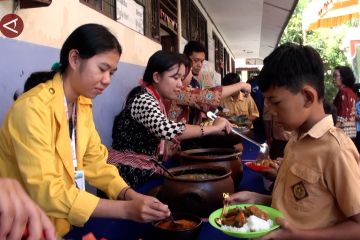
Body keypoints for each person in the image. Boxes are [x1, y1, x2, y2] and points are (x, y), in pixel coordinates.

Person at [0, 24, 170, 237]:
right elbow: (47, 191)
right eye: (102, 69)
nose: (107, 80)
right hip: (26, 228)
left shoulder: (81, 104)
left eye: (112, 73)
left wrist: (128, 194)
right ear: (74, 59)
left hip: (62, 225)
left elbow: (95, 160)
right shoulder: (31, 108)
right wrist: (126, 210)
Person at [226, 43, 360, 239]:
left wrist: (297, 235)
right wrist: (260, 200)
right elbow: (301, 203)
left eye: (275, 101)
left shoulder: (336, 150)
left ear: (307, 96)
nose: (270, 110)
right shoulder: (295, 139)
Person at [110, 50, 232, 188]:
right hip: (129, 177)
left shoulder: (155, 97)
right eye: (175, 78)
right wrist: (213, 128)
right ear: (157, 77)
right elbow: (166, 129)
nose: (180, 84)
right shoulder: (143, 98)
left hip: (144, 170)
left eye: (181, 78)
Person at [333, 65, 356, 139]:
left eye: (335, 76)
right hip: (352, 130)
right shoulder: (351, 92)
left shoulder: (343, 92)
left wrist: (334, 129)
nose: (333, 79)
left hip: (343, 130)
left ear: (343, 77)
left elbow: (343, 112)